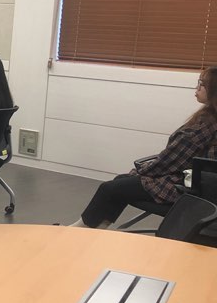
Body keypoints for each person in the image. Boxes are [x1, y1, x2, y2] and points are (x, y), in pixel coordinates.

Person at [71, 67, 217, 229]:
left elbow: (169, 162)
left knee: (110, 188)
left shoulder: (204, 125)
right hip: (198, 183)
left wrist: (141, 171)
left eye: (201, 84)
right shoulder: (209, 118)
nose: (196, 88)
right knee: (119, 183)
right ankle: (95, 229)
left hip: (187, 188)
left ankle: (77, 230)